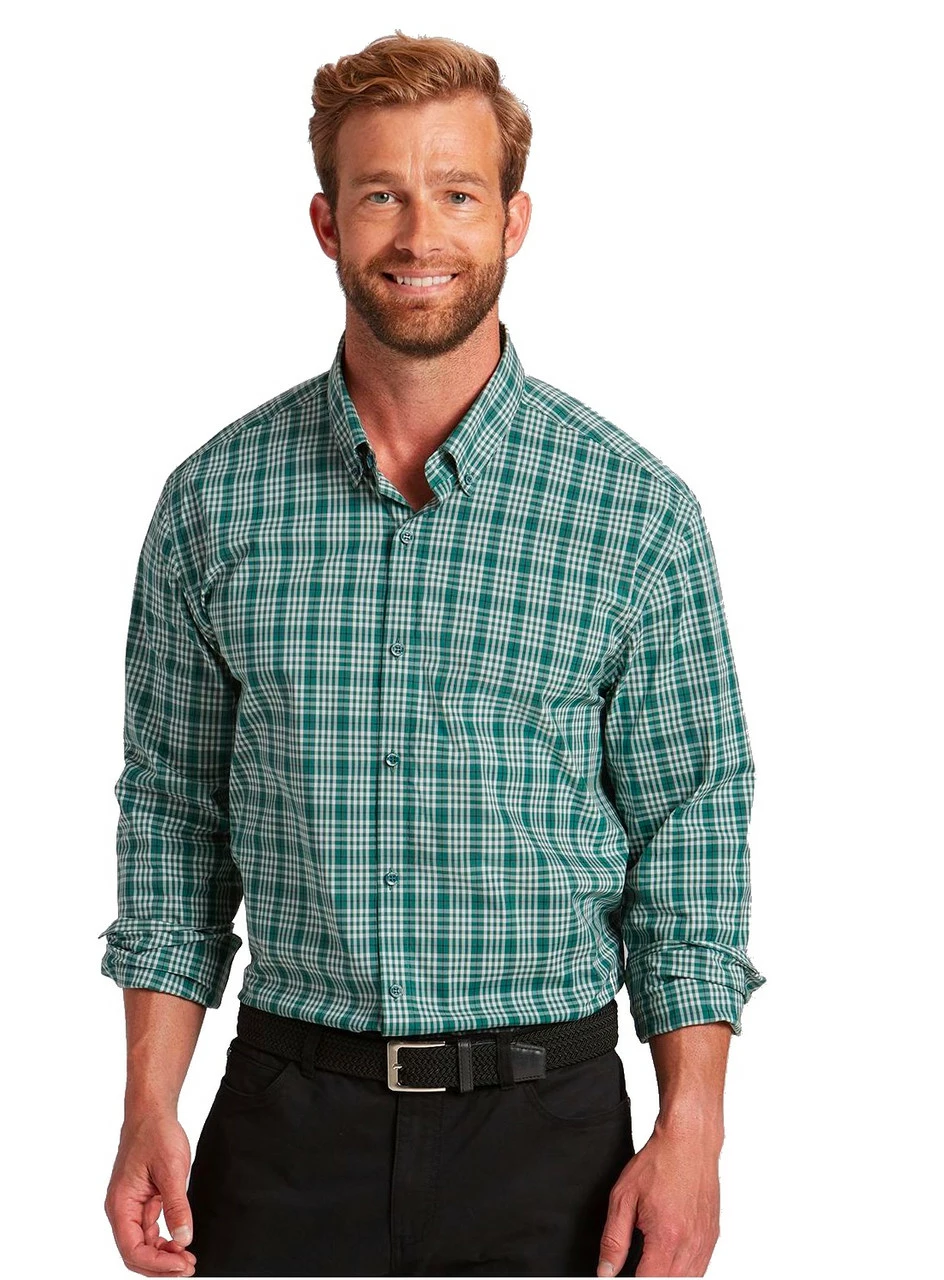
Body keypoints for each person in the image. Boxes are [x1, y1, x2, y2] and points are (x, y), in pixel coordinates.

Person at [99, 30, 766, 1279]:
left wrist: (694, 1130)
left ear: (514, 219)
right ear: (325, 221)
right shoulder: (212, 505)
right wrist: (147, 1103)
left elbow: (693, 826)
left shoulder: (635, 514)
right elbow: (173, 816)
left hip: (548, 1139)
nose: (420, 235)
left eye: (457, 193)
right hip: (287, 1126)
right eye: (381, 195)